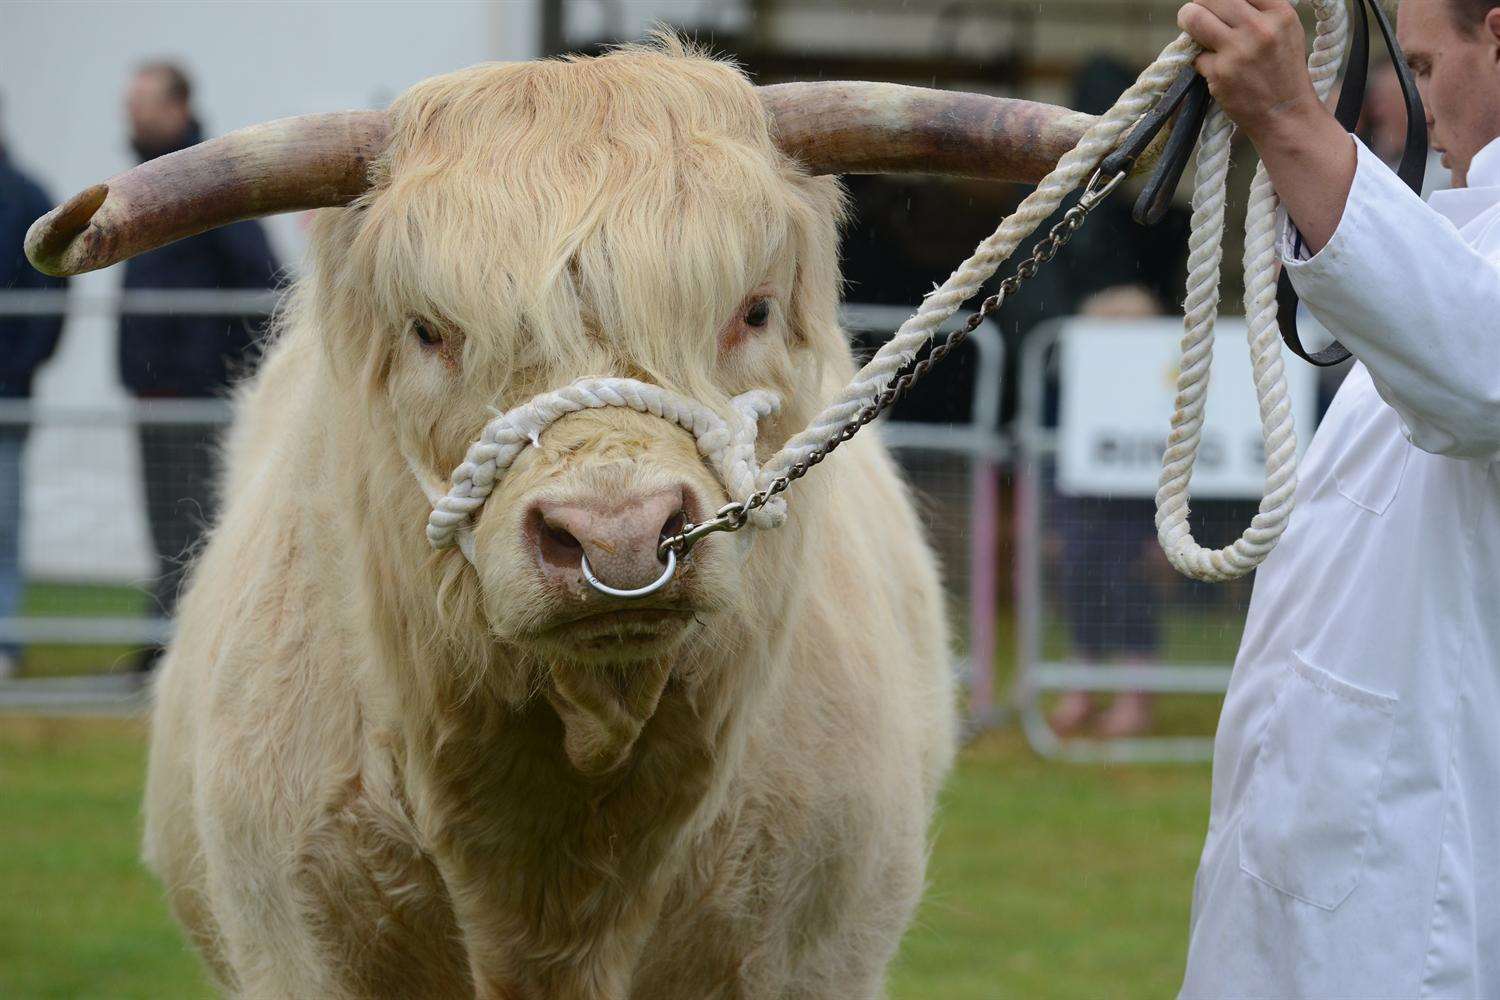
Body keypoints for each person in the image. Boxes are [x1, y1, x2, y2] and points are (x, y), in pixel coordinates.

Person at [1172, 1, 1500, 994]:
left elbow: (1479, 365)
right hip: (1325, 840)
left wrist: (1291, 121)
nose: (1418, 94)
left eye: (1430, 62)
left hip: (1418, 884)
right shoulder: (1463, 230)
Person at [119, 63, 279, 671]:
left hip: (195, 393)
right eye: (131, 102)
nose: (132, 113)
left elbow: (262, 283)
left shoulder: (209, 186)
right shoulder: (144, 183)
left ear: (180, 105)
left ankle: (185, 648)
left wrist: (225, 372)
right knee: (167, 524)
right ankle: (169, 640)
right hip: (154, 390)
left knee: (195, 524)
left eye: (144, 102)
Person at [0, 97, 66, 679]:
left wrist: (16, 370)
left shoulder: (24, 197)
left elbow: (49, 299)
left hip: (5, 398)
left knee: (3, 518)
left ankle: (6, 642)